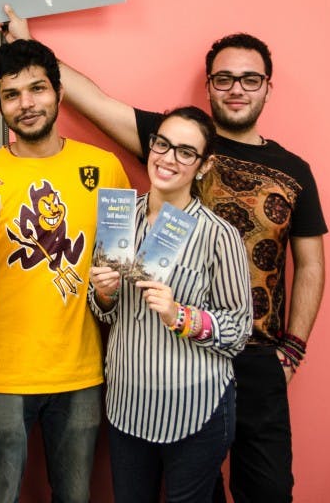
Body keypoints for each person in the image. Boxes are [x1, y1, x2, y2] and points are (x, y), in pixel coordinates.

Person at [0, 7, 327, 503]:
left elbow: (311, 264)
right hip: (144, 381)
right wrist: (29, 44)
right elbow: (94, 101)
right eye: (224, 78)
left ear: (266, 87)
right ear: (210, 85)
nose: (236, 88)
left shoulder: (292, 170)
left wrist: (292, 350)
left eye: (249, 79)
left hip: (255, 357)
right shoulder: (150, 165)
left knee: (266, 490)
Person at [0, 39, 130, 503]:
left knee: (75, 496)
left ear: (59, 92)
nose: (26, 104)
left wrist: (109, 292)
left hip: (82, 370)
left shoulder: (105, 169)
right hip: (1, 373)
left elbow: (119, 272)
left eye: (37, 89)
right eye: (12, 95)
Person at [89, 106, 252, 502]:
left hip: (195, 409)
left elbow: (239, 330)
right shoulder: (118, 219)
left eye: (185, 151)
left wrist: (180, 315)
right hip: (128, 406)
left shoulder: (220, 236)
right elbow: (105, 312)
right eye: (162, 144)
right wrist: (104, 293)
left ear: (203, 165)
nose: (168, 158)